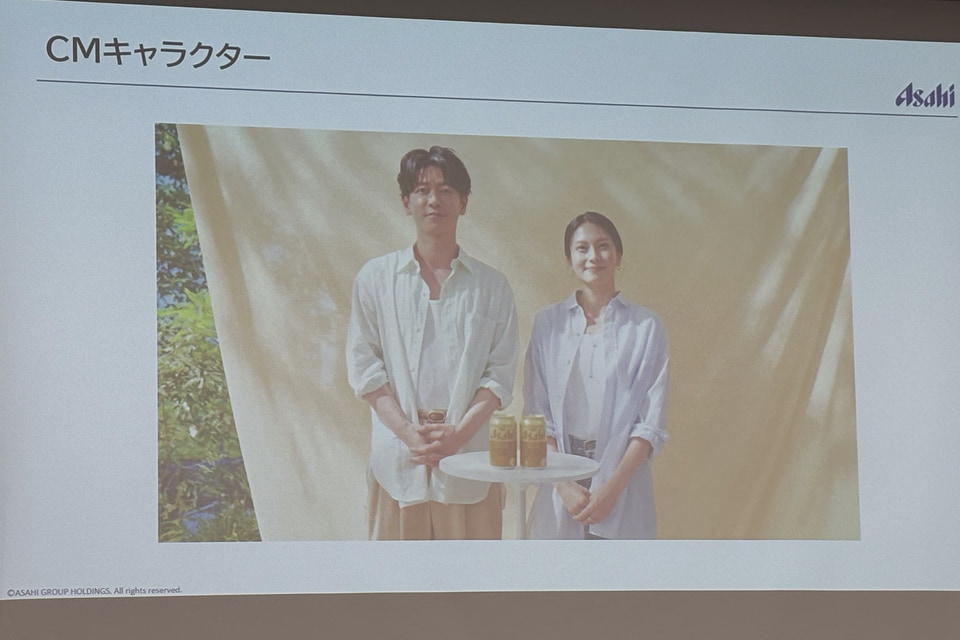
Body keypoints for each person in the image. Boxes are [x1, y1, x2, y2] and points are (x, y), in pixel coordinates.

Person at [346, 146, 518, 540]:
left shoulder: (492, 286)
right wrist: (407, 431)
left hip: (471, 462)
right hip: (398, 463)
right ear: (406, 201)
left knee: (473, 577)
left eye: (446, 190)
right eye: (422, 190)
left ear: (464, 203)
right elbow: (364, 367)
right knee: (396, 578)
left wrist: (457, 435)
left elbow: (500, 375)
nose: (434, 200)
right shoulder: (375, 278)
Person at [523, 211, 669, 539]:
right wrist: (563, 484)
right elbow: (536, 416)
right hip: (560, 472)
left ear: (618, 256)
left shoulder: (646, 327)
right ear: (569, 259)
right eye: (582, 248)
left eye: (603, 246)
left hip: (622, 478)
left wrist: (611, 490)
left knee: (619, 571)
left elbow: (650, 425)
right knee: (559, 569)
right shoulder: (548, 324)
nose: (593, 256)